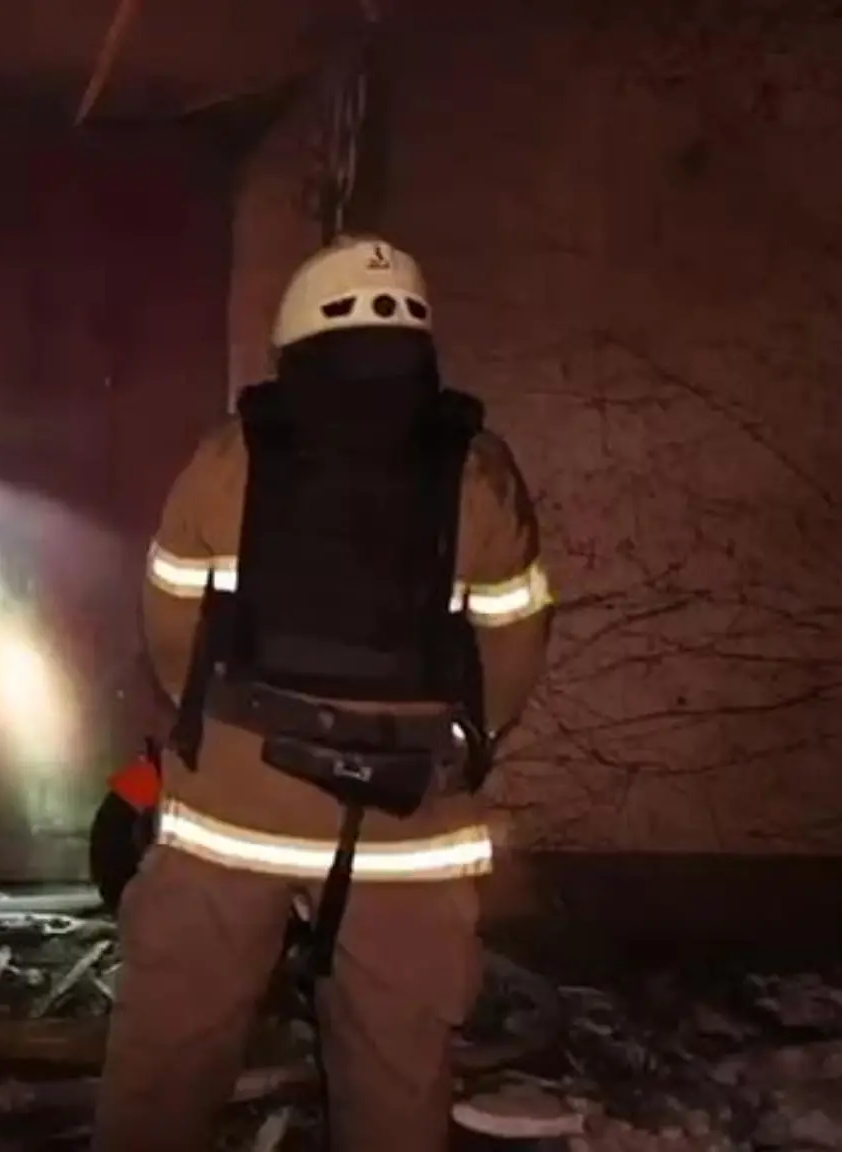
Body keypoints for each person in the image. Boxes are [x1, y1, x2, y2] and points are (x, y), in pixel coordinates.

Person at [92, 235, 553, 1152]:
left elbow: (170, 624)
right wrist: (463, 740)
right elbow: (515, 642)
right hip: (410, 827)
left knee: (168, 1055)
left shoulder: (229, 457)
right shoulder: (481, 470)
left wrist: (217, 730)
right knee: (397, 1068)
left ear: (294, 334)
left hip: (236, 813)